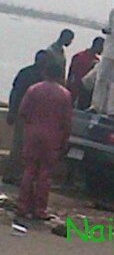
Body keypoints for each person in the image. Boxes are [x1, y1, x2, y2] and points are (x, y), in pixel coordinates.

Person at [17, 64, 72, 219]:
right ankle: (40, 209)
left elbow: (23, 112)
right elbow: (67, 121)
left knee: (29, 170)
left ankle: (23, 205)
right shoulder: (65, 95)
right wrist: (64, 140)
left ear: (45, 72)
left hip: (33, 134)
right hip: (53, 136)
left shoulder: (34, 89)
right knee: (45, 174)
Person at [3, 50, 49, 185]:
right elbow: (15, 92)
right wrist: (12, 112)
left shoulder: (42, 76)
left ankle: (20, 176)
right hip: (23, 116)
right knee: (18, 147)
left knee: (28, 149)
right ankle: (11, 175)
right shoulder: (28, 73)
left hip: (35, 119)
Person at [67, 37, 104, 105]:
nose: (103, 50)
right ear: (97, 45)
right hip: (75, 91)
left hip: (87, 94)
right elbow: (71, 76)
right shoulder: (79, 57)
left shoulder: (97, 61)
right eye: (102, 47)